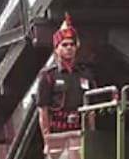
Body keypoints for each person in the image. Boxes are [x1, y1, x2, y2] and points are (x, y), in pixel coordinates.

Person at [36, 13, 93, 149]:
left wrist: (92, 135)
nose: (69, 48)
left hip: (80, 130)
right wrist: (47, 140)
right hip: (58, 132)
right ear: (57, 49)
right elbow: (43, 111)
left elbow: (91, 110)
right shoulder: (48, 75)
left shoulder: (86, 74)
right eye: (64, 45)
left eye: (72, 44)